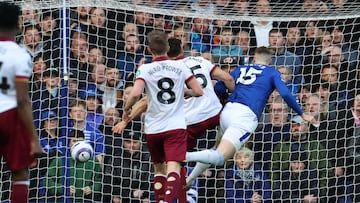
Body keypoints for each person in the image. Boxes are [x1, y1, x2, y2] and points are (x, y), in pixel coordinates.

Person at [113, 38, 235, 198]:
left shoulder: (167, 69)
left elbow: (144, 101)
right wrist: (230, 96)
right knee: (221, 158)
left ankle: (179, 197)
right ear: (182, 49)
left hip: (190, 123)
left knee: (175, 163)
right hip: (215, 116)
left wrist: (125, 120)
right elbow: (228, 78)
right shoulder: (199, 60)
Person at [185, 47, 317, 187]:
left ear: (254, 59)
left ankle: (190, 179)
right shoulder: (272, 72)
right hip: (245, 116)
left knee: (214, 150)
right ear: (270, 61)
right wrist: (301, 113)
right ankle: (183, 156)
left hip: (227, 112)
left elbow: (220, 88)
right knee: (221, 156)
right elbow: (285, 93)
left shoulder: (240, 69)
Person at [122, 30, 203, 203]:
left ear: (150, 50)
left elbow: (136, 93)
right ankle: (166, 201)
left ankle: (160, 200)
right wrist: (184, 92)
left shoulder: (145, 68)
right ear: (168, 47)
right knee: (173, 167)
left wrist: (126, 109)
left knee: (159, 170)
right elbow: (198, 91)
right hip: (175, 126)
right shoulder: (181, 66)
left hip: (153, 127)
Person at [0, 2, 44, 203]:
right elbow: (22, 100)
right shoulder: (20, 54)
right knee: (20, 174)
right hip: (10, 115)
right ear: (19, 25)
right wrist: (34, 139)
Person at [44, 130, 102, 202]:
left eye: (80, 141)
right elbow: (47, 180)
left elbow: (100, 180)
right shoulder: (59, 160)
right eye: (74, 141)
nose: (77, 144)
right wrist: (62, 189)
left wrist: (92, 188)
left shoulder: (93, 160)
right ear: (69, 143)